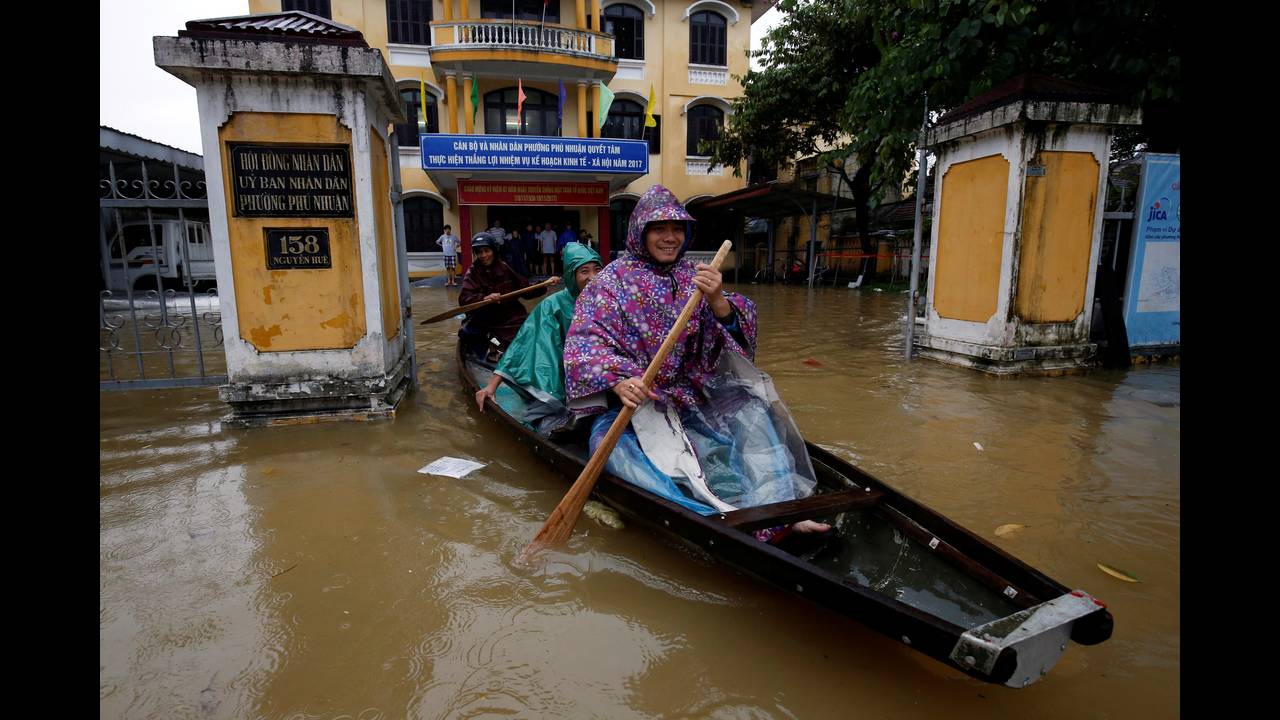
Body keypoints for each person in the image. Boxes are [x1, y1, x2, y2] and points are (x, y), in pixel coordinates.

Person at [563, 184, 830, 538]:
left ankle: (778, 511)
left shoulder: (696, 277)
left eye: (677, 229)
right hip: (632, 405)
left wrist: (718, 299)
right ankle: (715, 519)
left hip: (691, 397)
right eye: (659, 228)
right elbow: (584, 345)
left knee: (754, 415)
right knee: (617, 457)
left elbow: (740, 336)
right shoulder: (609, 282)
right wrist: (619, 381)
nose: (669, 237)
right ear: (641, 231)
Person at [474, 243, 603, 434]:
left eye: (597, 270)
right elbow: (522, 345)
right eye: (584, 271)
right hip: (565, 374)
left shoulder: (608, 301)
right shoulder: (553, 305)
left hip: (603, 372)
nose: (592, 277)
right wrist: (491, 386)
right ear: (571, 275)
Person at [458, 234, 551, 362]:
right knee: (469, 333)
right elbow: (464, 299)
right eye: (479, 252)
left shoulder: (504, 267)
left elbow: (524, 290)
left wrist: (544, 284)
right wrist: (484, 298)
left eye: (487, 251)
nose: (483, 255)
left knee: (531, 330)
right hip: (485, 317)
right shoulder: (473, 272)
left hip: (509, 315)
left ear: (494, 251)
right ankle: (492, 347)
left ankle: (499, 348)